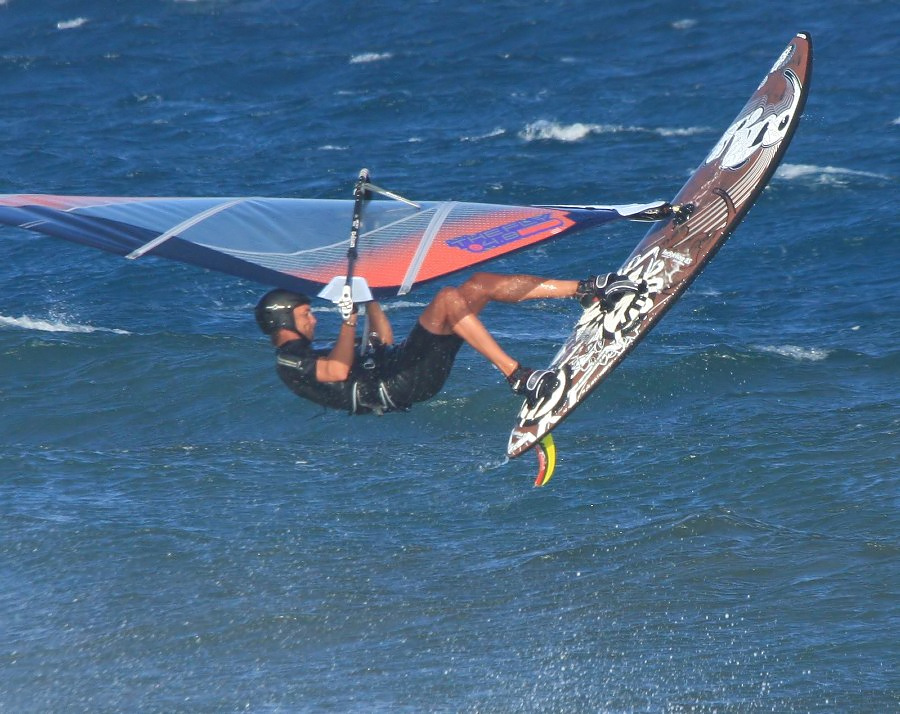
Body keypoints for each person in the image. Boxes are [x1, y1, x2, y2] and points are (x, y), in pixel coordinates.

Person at [255, 271, 642, 415]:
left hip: (398, 364)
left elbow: (381, 342)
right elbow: (338, 370)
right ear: (285, 319)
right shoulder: (288, 360)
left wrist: (366, 298)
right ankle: (519, 377)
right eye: (306, 314)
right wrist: (347, 321)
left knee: (474, 286)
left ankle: (588, 290)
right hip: (397, 386)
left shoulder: (305, 352)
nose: (312, 318)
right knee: (446, 299)